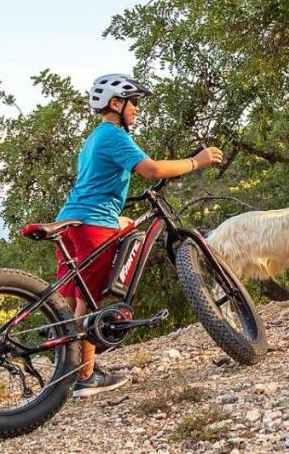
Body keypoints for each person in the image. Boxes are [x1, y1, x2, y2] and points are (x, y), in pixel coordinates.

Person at [56, 73, 222, 396]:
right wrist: (196, 161)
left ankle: (65, 374)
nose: (137, 110)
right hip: (93, 225)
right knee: (89, 304)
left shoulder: (93, 139)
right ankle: (84, 377)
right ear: (115, 104)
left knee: (70, 302)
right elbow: (153, 170)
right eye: (134, 103)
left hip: (69, 222)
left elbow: (96, 186)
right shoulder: (114, 134)